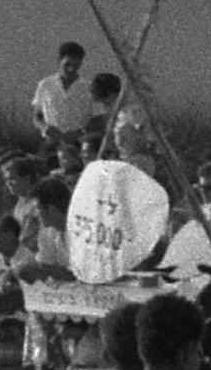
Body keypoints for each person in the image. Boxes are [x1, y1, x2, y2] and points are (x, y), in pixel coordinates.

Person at [66, 121, 170, 292]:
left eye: (124, 137)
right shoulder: (119, 162)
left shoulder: (140, 161)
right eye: (117, 137)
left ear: (137, 139)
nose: (120, 142)